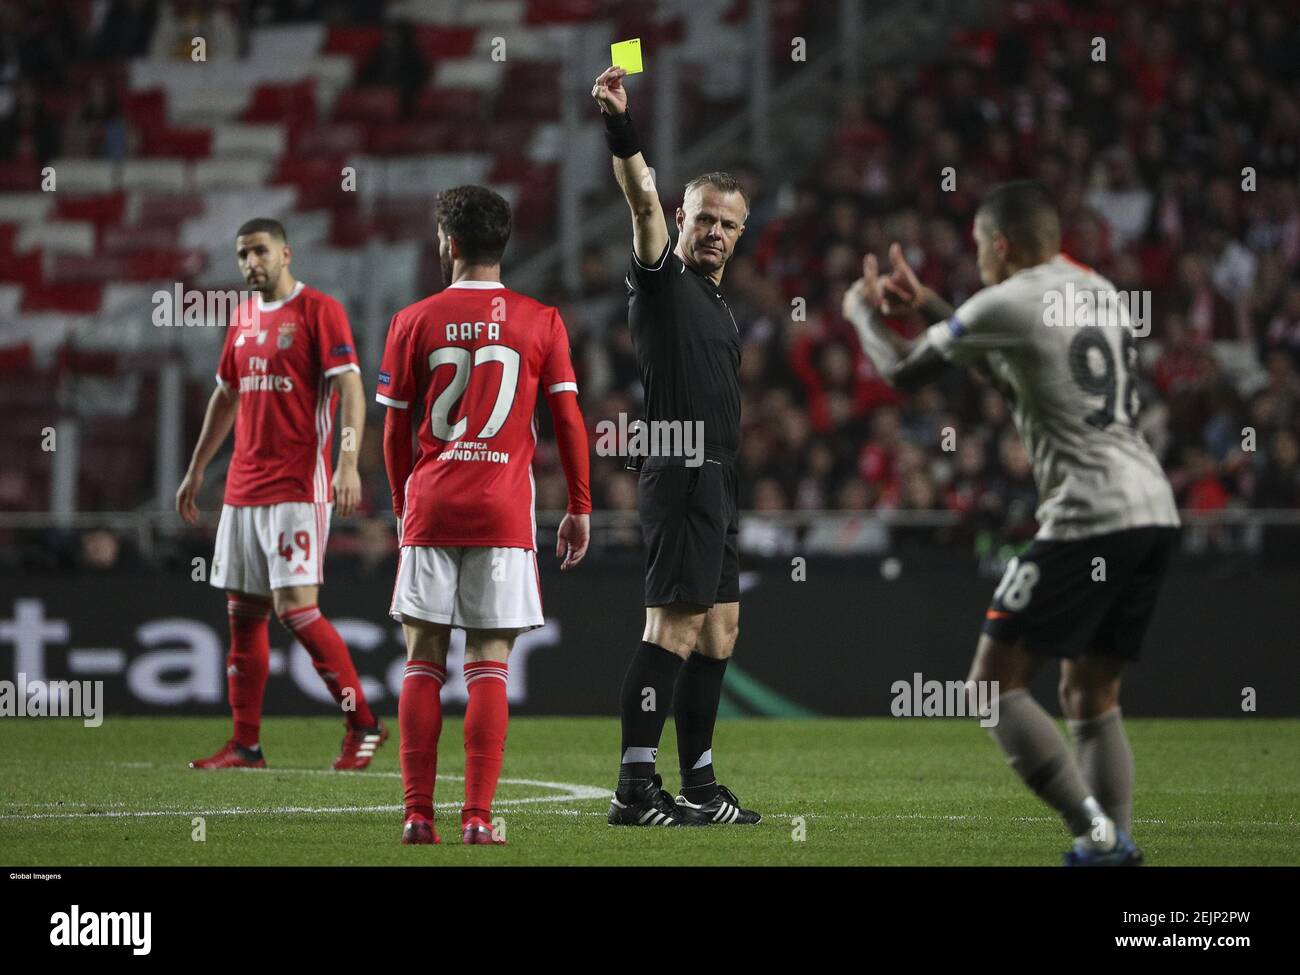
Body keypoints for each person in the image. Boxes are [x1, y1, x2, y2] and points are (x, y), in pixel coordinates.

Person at [843, 180, 1180, 865]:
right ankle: (1111, 847)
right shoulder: (1099, 290)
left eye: (978, 250)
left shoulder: (1011, 297)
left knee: (990, 685)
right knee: (1090, 689)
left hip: (1091, 512)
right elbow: (1010, 368)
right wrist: (934, 305)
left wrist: (858, 311)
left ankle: (1095, 831)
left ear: (1002, 245)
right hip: (1154, 507)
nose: (977, 264)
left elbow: (906, 368)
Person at [378, 185, 591, 846]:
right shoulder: (541, 319)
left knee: (422, 660)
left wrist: (401, 506)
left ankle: (417, 814)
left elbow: (394, 434)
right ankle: (476, 817)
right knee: (489, 664)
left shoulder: (412, 319)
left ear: (449, 243)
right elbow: (568, 420)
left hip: (433, 503)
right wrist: (580, 505)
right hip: (502, 511)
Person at [592, 66, 760, 827]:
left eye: (728, 222)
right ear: (681, 219)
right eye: (703, 218)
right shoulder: (661, 280)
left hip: (717, 476)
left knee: (720, 628)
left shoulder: (723, 305)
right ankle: (634, 785)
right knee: (673, 627)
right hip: (682, 465)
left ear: (741, 231)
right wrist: (621, 127)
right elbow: (637, 197)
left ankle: (697, 780)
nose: (714, 231)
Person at [178, 218, 385, 771]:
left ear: (286, 252)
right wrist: (197, 469)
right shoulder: (242, 319)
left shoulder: (320, 310)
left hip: (297, 485)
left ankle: (363, 722)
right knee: (243, 615)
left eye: (260, 251)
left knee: (297, 612)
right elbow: (226, 397)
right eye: (242, 254)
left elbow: (350, 388)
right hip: (243, 489)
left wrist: (346, 463)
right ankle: (246, 745)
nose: (250, 263)